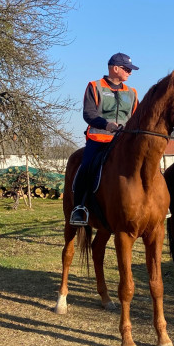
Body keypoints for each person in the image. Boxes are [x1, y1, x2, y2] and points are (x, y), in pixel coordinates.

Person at [69, 52, 139, 226]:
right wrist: (106, 124)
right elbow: (88, 114)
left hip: (124, 141)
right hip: (99, 138)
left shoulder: (132, 92)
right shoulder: (94, 86)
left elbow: (137, 117)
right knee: (85, 167)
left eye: (130, 70)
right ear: (115, 68)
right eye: (127, 69)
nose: (130, 73)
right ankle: (79, 208)